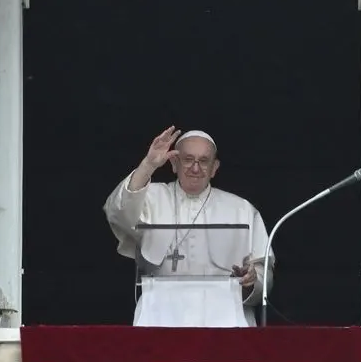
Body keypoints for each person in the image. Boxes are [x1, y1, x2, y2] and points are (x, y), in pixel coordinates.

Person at [104, 126, 273, 326]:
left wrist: (252, 281)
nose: (195, 168)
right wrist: (148, 164)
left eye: (203, 161)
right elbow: (117, 211)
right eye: (188, 159)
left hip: (225, 318)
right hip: (160, 315)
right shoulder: (150, 197)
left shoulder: (241, 209)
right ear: (174, 163)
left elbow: (264, 271)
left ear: (214, 168)